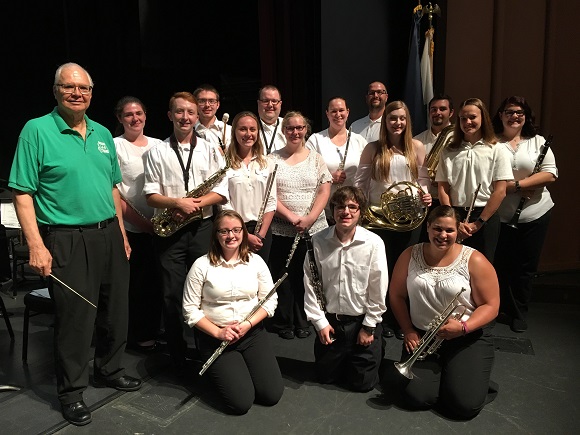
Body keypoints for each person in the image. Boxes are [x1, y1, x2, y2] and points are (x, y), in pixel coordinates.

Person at [8, 62, 141, 426]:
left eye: (84, 88)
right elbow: (22, 193)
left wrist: (123, 235)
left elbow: (113, 188)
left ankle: (110, 369)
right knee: (76, 319)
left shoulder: (101, 133)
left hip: (109, 234)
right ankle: (72, 392)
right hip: (67, 238)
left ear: (92, 93)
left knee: (116, 309)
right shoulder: (36, 131)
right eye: (69, 87)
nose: (77, 93)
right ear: (56, 91)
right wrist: (36, 245)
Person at [388, 205, 499, 419]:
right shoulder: (410, 255)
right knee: (417, 398)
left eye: (449, 230)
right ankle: (451, 377)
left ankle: (469, 377)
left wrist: (464, 327)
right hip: (423, 337)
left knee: (464, 406)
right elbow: (396, 296)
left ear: (458, 231)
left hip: (467, 337)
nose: (443, 235)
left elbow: (491, 305)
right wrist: (408, 330)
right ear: (428, 228)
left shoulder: (474, 260)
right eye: (437, 229)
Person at [143, 91, 227, 373]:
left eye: (191, 112)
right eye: (179, 112)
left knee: (206, 291)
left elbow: (221, 191)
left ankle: (205, 349)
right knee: (171, 294)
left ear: (197, 115)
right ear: (170, 115)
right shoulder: (156, 151)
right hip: (170, 231)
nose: (186, 117)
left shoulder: (210, 148)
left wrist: (194, 204)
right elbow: (150, 195)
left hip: (202, 226)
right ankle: (177, 354)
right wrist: (175, 203)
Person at [183, 210, 283, 415]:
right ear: (216, 235)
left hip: (252, 333)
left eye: (237, 230)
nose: (231, 236)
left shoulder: (255, 261)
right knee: (240, 403)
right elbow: (190, 310)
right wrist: (218, 333)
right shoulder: (201, 265)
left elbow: (270, 299)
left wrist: (248, 324)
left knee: (271, 395)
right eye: (224, 231)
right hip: (217, 338)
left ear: (243, 232)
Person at [354, 100, 431, 339]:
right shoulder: (372, 148)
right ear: (384, 122)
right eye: (392, 118)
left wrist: (425, 195)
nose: (397, 123)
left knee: (406, 271)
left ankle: (403, 320)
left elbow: (422, 180)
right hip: (379, 220)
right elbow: (360, 184)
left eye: (401, 118)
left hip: (408, 220)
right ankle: (382, 318)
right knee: (381, 270)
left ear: (407, 121)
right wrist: (362, 213)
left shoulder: (417, 147)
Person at [303, 186, 387, 392]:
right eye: (340, 207)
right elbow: (311, 285)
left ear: (361, 212)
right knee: (326, 378)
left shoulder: (374, 243)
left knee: (362, 384)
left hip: (361, 324)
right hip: (332, 323)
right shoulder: (318, 241)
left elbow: (378, 288)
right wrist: (320, 323)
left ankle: (376, 345)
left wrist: (369, 327)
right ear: (332, 211)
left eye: (352, 207)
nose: (346, 212)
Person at [492, 96, 558, 332]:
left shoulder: (537, 141)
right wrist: (512, 188)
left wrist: (517, 186)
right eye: (509, 111)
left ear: (526, 116)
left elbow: (550, 174)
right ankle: (494, 309)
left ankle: (518, 311)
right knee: (497, 265)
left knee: (525, 267)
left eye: (520, 112)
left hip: (535, 213)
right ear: (500, 115)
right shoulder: (490, 143)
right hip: (499, 215)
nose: (514, 116)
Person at [267, 111, 332, 340]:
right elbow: (269, 194)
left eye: (299, 128)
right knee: (284, 276)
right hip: (282, 228)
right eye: (290, 128)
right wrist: (292, 218)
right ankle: (285, 321)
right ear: (284, 131)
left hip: (313, 228)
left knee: (308, 276)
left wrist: (310, 218)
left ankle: (305, 319)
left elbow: (325, 189)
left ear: (306, 129)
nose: (295, 132)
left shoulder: (316, 158)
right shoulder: (272, 159)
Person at [113, 96, 164, 352]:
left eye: (139, 113)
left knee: (157, 282)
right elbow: (115, 193)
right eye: (129, 114)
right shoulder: (115, 146)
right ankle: (138, 334)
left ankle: (155, 330)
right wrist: (144, 225)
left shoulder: (158, 145)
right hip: (132, 228)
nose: (135, 118)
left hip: (161, 226)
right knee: (137, 285)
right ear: (120, 119)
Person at [436, 98, 513, 262]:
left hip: (484, 215)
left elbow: (500, 191)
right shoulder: (449, 150)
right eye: (463, 118)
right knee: (454, 265)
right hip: (454, 214)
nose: (467, 122)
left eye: (472, 117)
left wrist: (478, 223)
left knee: (483, 267)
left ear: (482, 119)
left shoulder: (496, 149)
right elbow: (443, 189)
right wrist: (453, 221)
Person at [222, 111, 277, 263]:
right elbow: (224, 203)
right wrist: (243, 235)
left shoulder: (267, 163)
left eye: (252, 129)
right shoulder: (224, 164)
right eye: (243, 129)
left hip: (262, 232)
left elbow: (271, 201)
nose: (248, 134)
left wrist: (260, 235)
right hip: (232, 232)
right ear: (234, 133)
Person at [306, 97, 367, 221]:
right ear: (327, 113)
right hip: (325, 210)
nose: (338, 114)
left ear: (347, 112)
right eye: (333, 111)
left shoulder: (359, 141)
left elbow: (367, 174)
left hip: (352, 210)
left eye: (341, 110)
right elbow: (305, 172)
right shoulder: (316, 139)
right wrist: (328, 177)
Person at [414, 94, 455, 241]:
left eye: (442, 109)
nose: (437, 112)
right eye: (434, 109)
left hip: (451, 200)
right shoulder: (417, 140)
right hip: (425, 203)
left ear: (451, 113)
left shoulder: (459, 139)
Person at [193, 84, 232, 152]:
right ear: (195, 104)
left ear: (218, 105)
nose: (207, 105)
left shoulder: (230, 131)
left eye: (211, 101)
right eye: (202, 101)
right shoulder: (188, 131)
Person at [257, 85, 286, 154]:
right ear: (258, 103)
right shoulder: (250, 128)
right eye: (265, 101)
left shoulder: (289, 127)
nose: (270, 105)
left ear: (280, 104)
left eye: (274, 101)